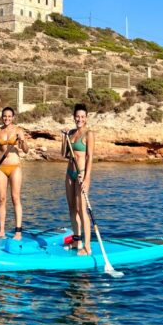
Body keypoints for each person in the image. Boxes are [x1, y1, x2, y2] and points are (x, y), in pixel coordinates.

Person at [0, 106, 27, 239]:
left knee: (15, 198)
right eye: (5, 116)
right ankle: (1, 231)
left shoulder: (19, 130)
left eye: (9, 116)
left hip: (15, 167)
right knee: (1, 199)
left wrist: (22, 140)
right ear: (1, 117)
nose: (7, 118)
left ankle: (18, 232)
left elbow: (25, 150)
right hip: (0, 168)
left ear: (13, 117)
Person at [63, 103, 94, 254]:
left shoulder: (89, 134)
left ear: (86, 118)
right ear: (74, 117)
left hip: (81, 173)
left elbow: (89, 157)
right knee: (71, 207)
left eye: (82, 116)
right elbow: (64, 154)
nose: (79, 119)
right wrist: (64, 137)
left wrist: (86, 177)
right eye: (77, 116)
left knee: (82, 209)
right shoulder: (71, 133)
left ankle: (87, 246)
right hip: (70, 172)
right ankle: (77, 241)